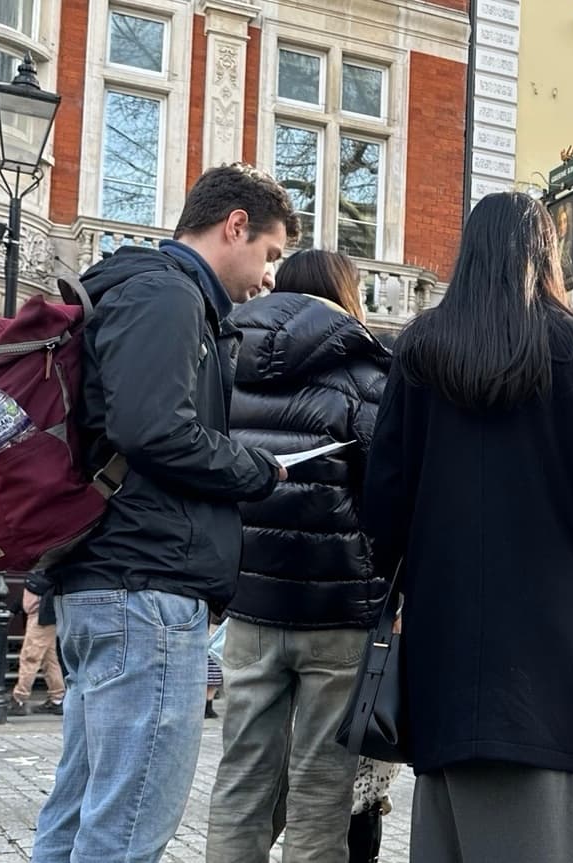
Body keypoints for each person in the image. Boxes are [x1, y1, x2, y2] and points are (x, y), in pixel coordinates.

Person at [28, 163, 296, 863]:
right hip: (143, 590)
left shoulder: (142, 289)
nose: (269, 277)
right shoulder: (167, 295)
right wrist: (254, 470)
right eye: (269, 254)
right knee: (127, 826)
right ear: (234, 224)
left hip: (111, 580)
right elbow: (155, 429)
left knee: (83, 811)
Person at [363, 192, 573, 863]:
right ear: (541, 253)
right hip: (544, 628)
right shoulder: (572, 343)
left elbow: (384, 492)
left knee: (445, 824)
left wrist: (410, 565)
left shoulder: (421, 346)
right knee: (537, 822)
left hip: (443, 619)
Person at [206, 248, 392, 861]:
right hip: (339, 609)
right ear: (346, 292)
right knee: (321, 790)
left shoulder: (229, 359)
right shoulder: (366, 374)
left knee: (241, 781)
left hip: (252, 604)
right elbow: (390, 495)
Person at [9, 585, 64, 716]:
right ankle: (57, 698)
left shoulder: (41, 571)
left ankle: (19, 699)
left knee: (30, 657)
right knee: (49, 660)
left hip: (40, 616)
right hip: (47, 615)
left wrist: (14, 608)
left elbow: (35, 585)